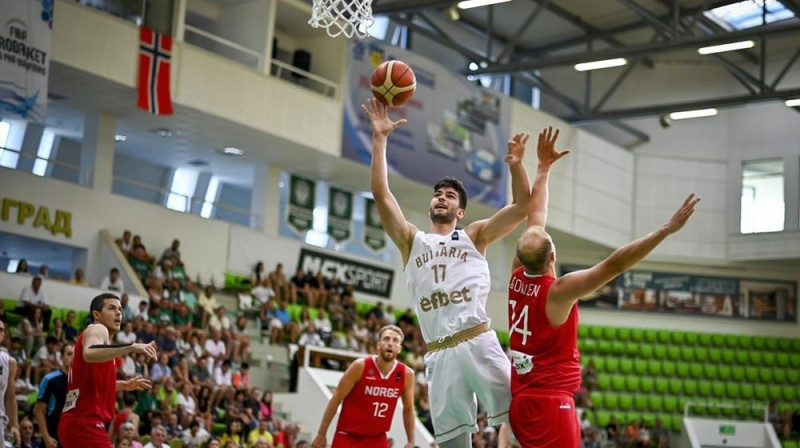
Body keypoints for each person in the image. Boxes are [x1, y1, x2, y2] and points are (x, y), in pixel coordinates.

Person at [505, 126, 700, 447]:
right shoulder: (558, 290)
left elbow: (535, 216)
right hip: (551, 403)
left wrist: (542, 169)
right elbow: (615, 265)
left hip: (522, 399)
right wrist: (665, 229)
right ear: (552, 254)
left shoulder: (517, 275)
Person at [363, 97, 532, 447]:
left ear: (460, 211)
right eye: (438, 194)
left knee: (522, 425)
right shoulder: (413, 241)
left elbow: (522, 207)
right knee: (452, 444)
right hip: (439, 353)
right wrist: (380, 139)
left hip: (478, 339)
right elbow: (381, 194)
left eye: (450, 195)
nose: (441, 197)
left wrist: (516, 166)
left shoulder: (474, 235)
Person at [59, 293, 158, 447]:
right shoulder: (98, 329)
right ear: (96, 315)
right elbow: (90, 353)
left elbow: (92, 383)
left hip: (75, 421)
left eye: (120, 309)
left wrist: (123, 385)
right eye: (112, 308)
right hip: (85, 422)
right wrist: (131, 347)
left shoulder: (103, 343)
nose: (118, 312)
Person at [312, 325, 415, 448]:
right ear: (378, 345)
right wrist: (321, 433)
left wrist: (411, 441)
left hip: (377, 439)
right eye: (386, 339)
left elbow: (408, 409)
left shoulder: (407, 374)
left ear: (399, 349)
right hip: (348, 436)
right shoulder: (360, 366)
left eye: (395, 341)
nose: (390, 343)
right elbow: (336, 398)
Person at [35, 342, 73, 448]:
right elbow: (39, 411)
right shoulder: (50, 379)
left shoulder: (80, 381)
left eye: (75, 355)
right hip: (53, 438)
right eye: (69, 354)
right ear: (61, 357)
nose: (73, 357)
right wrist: (46, 438)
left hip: (72, 438)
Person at [0, 321, 21, 446]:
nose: (0, 332)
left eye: (2, 330)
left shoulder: (9, 362)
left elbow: (10, 398)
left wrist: (14, 425)